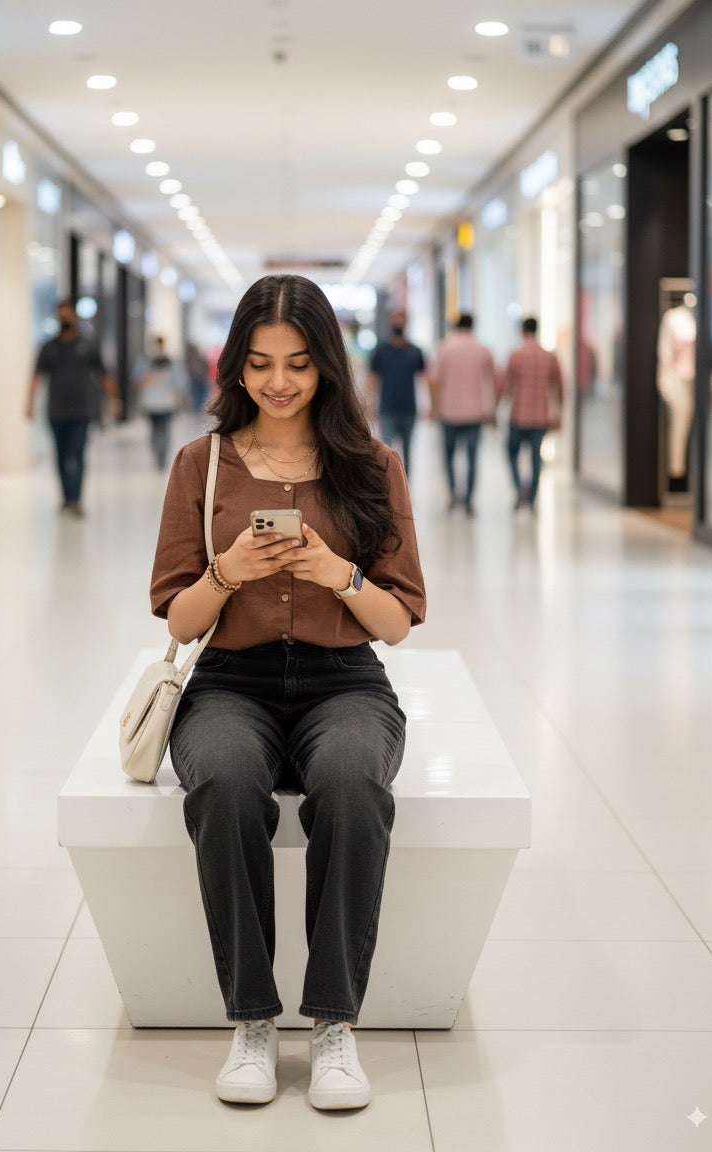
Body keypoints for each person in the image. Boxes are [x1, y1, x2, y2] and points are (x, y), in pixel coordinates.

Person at [150, 274, 426, 1111]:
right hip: (230, 680)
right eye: (261, 364)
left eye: (299, 365)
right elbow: (177, 616)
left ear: (327, 369)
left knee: (349, 785)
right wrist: (228, 571)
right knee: (227, 784)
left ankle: (335, 1022)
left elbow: (399, 621)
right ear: (235, 367)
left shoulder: (373, 466)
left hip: (345, 680)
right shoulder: (200, 465)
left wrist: (337, 574)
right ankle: (253, 1020)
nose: (279, 382)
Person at [26, 299, 120, 516]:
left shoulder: (87, 346)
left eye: (69, 315)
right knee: (60, 456)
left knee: (76, 455)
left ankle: (76, 500)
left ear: (75, 317)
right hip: (56, 411)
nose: (65, 319)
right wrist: (29, 405)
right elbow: (36, 377)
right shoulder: (48, 347)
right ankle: (66, 498)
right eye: (61, 315)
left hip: (81, 410)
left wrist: (114, 402)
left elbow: (104, 376)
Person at [427, 313, 496, 516]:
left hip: (449, 411)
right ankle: (468, 500)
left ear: (456, 327)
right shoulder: (483, 350)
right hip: (476, 412)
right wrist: (492, 410)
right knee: (472, 457)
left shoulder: (444, 348)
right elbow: (493, 381)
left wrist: (433, 406)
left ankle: (452, 494)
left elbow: (433, 380)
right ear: (473, 326)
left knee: (448, 455)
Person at [499, 316, 564, 512]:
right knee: (536, 458)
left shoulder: (515, 355)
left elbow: (505, 385)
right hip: (540, 417)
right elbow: (559, 388)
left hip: (518, 415)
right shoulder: (549, 356)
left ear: (522, 330)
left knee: (511, 453)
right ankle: (532, 497)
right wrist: (558, 415)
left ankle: (519, 488)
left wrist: (495, 408)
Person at [364, 309, 426, 476]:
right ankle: (387, 486)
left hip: (409, 409)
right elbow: (372, 378)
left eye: (401, 320)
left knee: (408, 451)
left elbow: (425, 378)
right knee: (386, 451)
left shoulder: (415, 351)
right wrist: (368, 404)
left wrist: (431, 404)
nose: (398, 324)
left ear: (406, 322)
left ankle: (405, 486)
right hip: (387, 409)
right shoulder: (381, 351)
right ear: (390, 323)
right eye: (395, 320)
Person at [137, 336, 187, 468]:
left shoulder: (172, 363)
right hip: (151, 403)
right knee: (154, 430)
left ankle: (163, 456)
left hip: (167, 403)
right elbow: (138, 382)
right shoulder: (145, 362)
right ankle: (156, 453)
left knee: (165, 430)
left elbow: (179, 384)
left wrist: (179, 400)